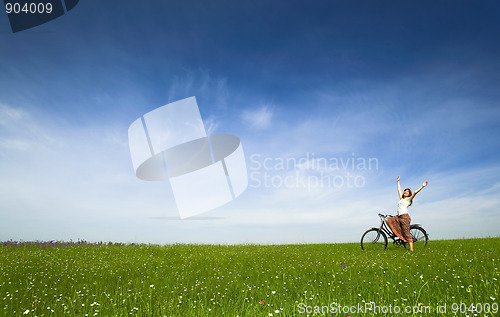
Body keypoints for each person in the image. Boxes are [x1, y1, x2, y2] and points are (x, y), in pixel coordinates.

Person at [386, 176, 428, 251]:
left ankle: (411, 250)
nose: (405, 192)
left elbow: (415, 192)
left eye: (407, 191)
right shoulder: (402, 199)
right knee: (387, 220)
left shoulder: (408, 200)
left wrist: (422, 186)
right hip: (399, 217)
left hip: (405, 217)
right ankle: (395, 233)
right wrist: (398, 181)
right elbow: (399, 190)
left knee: (407, 233)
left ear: (409, 194)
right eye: (405, 191)